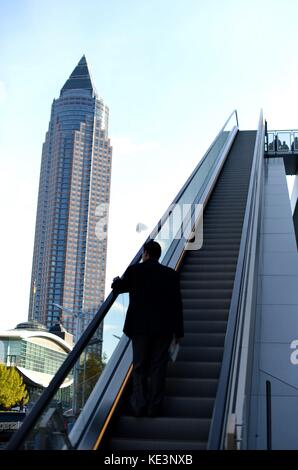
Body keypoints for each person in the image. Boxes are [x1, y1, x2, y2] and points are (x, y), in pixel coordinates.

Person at [111, 240, 184, 417]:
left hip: (140, 328)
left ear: (145, 254)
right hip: (164, 329)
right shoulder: (171, 275)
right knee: (159, 366)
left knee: (140, 366)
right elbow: (177, 305)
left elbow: (119, 288)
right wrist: (179, 332)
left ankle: (139, 405)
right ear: (158, 255)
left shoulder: (136, 270)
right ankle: (155, 407)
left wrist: (116, 281)